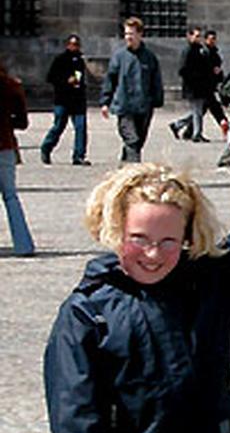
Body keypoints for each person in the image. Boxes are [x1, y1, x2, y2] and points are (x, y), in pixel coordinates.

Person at [43, 119, 230, 433]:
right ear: (115, 230)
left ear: (188, 238)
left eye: (168, 241)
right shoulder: (87, 314)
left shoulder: (203, 286)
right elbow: (75, 425)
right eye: (139, 239)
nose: (153, 254)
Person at [100, 17, 164, 163]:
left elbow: (156, 80)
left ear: (140, 34)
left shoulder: (149, 57)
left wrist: (157, 100)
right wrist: (105, 101)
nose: (128, 37)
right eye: (126, 34)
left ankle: (124, 168)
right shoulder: (119, 56)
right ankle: (135, 170)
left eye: (131, 34)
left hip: (143, 106)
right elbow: (110, 79)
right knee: (132, 140)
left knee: (138, 141)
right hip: (124, 106)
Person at [0, 62, 35, 256]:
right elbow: (22, 122)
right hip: (4, 146)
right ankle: (23, 245)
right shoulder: (11, 85)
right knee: (11, 197)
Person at [41, 34, 90, 166]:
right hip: (62, 99)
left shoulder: (80, 60)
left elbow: (82, 77)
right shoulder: (60, 59)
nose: (75, 47)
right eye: (73, 44)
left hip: (78, 99)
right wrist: (65, 80)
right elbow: (50, 77)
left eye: (77, 44)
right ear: (68, 45)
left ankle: (79, 156)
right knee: (59, 126)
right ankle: (46, 147)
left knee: (81, 127)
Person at [169, 27, 211, 143]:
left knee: (198, 111)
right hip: (193, 86)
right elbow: (182, 69)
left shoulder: (200, 50)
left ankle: (178, 124)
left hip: (201, 86)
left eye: (199, 36)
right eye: (196, 36)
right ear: (190, 36)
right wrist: (194, 78)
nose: (198, 39)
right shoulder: (187, 51)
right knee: (197, 110)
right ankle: (197, 133)